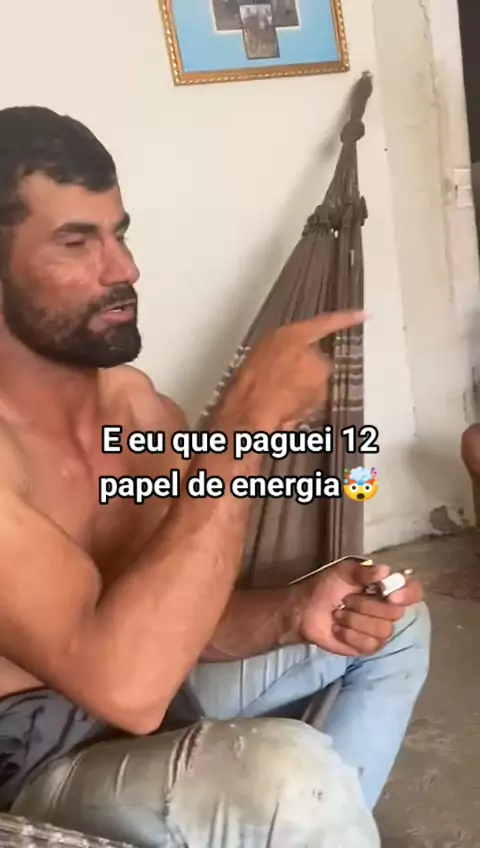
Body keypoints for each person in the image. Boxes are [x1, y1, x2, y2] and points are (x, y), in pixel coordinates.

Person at [0, 106, 430, 848]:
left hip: (160, 695)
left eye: (120, 232)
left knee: (392, 626)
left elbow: (176, 621)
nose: (123, 270)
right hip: (31, 757)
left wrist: (295, 612)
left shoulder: (137, 409)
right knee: (283, 775)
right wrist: (239, 433)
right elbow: (128, 690)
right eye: (76, 242)